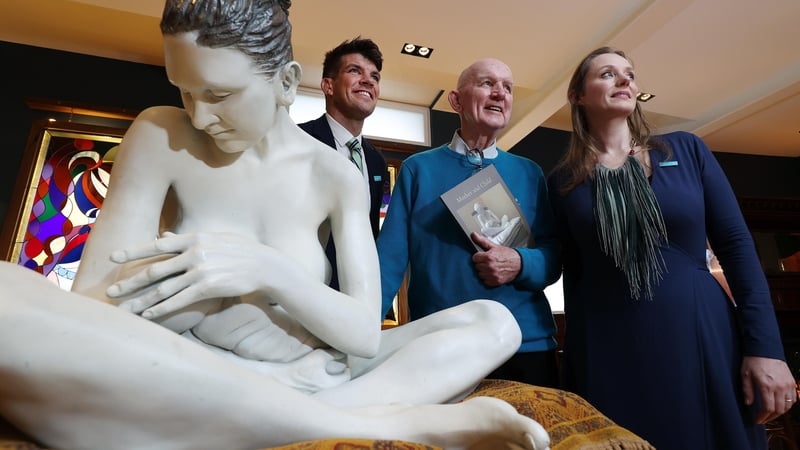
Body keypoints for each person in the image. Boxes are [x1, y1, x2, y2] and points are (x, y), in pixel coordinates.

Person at [0, 1, 552, 449]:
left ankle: (279, 411)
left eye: (218, 94)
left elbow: (362, 331)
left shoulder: (337, 175)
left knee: (493, 324)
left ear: (287, 81)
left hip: (319, 364)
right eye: (183, 90)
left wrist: (265, 270)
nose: (198, 114)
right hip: (185, 364)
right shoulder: (160, 135)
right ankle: (363, 422)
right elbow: (98, 310)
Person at [546, 46, 797, 450]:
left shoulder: (686, 148)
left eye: (629, 73)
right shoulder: (562, 182)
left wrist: (766, 348)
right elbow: (575, 274)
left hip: (703, 337)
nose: (625, 79)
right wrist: (576, 369)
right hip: (608, 350)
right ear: (578, 95)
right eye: (608, 74)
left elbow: (736, 247)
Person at [377, 58, 562, 387]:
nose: (500, 93)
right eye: (487, 83)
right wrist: (356, 336)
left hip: (525, 342)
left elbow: (553, 258)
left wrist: (520, 262)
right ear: (455, 100)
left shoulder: (529, 172)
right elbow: (388, 262)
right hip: (441, 344)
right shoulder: (418, 170)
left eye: (507, 87)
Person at [298, 37, 388, 291]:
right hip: (303, 287)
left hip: (356, 292)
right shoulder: (299, 141)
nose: (368, 80)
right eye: (354, 71)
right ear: (328, 85)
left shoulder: (376, 162)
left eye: (375, 76)